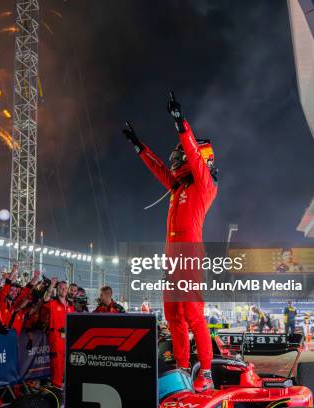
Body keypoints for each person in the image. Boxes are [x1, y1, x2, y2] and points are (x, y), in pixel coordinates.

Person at [123, 92, 217, 392]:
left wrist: (181, 124)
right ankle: (181, 368)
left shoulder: (205, 186)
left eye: (182, 156)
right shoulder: (177, 188)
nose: (175, 159)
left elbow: (191, 154)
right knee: (173, 315)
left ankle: (206, 372)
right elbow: (159, 169)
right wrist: (139, 146)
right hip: (172, 260)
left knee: (193, 315)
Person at [41, 278, 74, 389]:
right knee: (57, 365)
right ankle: (56, 388)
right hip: (55, 338)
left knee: (66, 365)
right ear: (57, 289)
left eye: (65, 288)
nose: (63, 290)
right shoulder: (52, 303)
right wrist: (52, 285)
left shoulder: (70, 306)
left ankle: (63, 387)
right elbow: (45, 299)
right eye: (60, 288)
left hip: (67, 340)